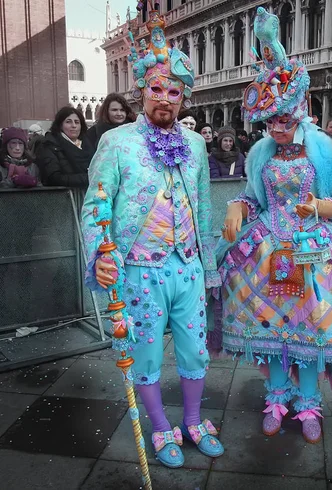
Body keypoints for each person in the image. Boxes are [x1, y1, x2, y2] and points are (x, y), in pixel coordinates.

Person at [214, 7, 332, 445]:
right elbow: (252, 196)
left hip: (314, 250)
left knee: (311, 326)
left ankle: (308, 402)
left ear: (300, 114)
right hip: (267, 248)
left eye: (285, 120)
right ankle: (276, 396)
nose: (278, 128)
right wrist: (237, 206)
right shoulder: (259, 155)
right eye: (270, 121)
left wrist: (325, 207)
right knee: (271, 326)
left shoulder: (323, 149)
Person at [80, 6, 224, 469]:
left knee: (195, 348)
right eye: (156, 89)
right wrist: (99, 253)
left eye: (174, 91)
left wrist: (209, 265)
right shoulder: (117, 142)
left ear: (185, 97)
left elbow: (202, 207)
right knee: (143, 354)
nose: (165, 98)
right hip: (140, 268)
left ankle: (195, 420)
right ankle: (161, 426)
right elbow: (96, 206)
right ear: (142, 90)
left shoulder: (197, 145)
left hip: (187, 266)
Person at [36, 107, 90, 188]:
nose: (74, 126)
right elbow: (53, 178)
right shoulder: (49, 145)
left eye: (77, 122)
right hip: (63, 198)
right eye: (68, 122)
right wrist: (88, 178)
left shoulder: (88, 145)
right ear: (60, 125)